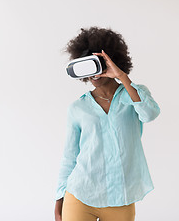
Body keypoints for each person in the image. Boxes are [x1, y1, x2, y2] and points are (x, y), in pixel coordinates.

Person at [54, 27, 160, 221]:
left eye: (97, 64)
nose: (93, 73)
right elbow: (69, 157)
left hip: (121, 198)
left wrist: (121, 76)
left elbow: (150, 114)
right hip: (80, 195)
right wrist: (59, 198)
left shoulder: (133, 94)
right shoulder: (77, 108)